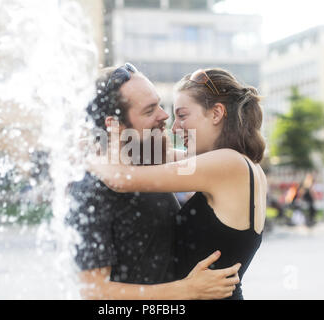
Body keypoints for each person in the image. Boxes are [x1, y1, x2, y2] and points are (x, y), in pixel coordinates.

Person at [67, 64, 241, 299]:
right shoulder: (92, 189)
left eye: (159, 103)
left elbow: (216, 158)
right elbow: (93, 290)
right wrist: (186, 290)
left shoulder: (150, 161)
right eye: (149, 111)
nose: (164, 115)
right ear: (115, 126)